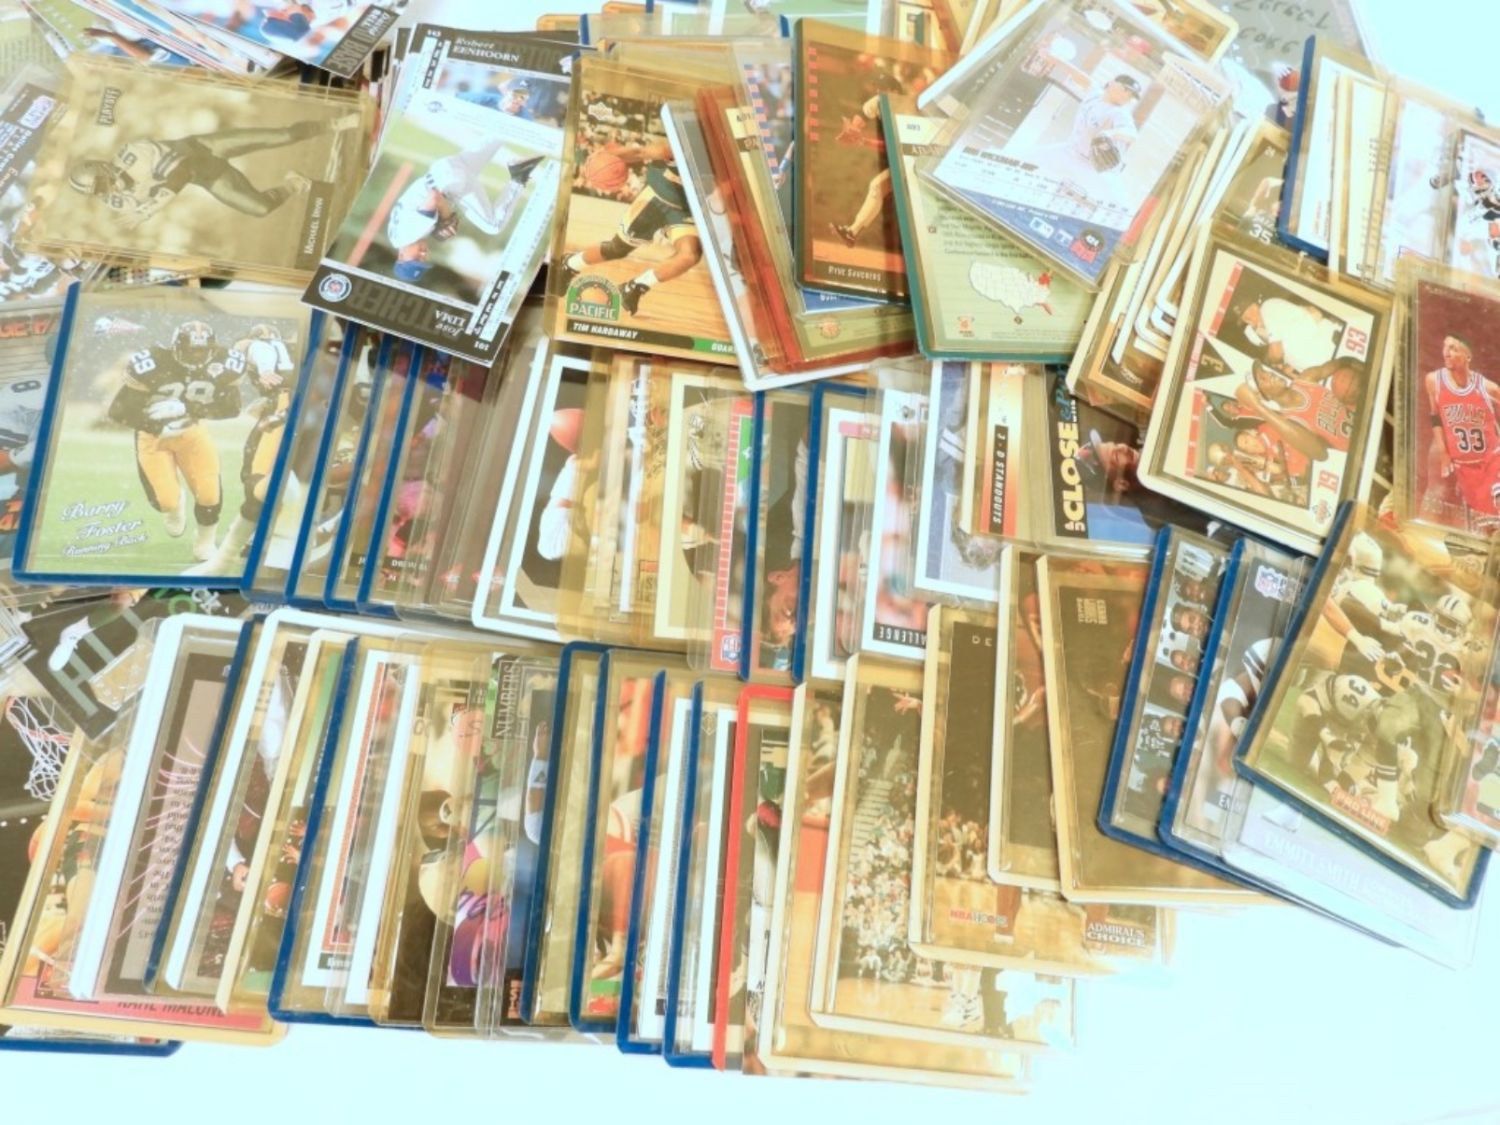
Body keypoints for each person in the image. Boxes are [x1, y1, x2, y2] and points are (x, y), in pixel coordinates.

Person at [67, 115, 360, 228]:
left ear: (103, 166)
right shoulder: (116, 201)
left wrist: (153, 207)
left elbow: (183, 169)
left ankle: (332, 124)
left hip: (205, 149)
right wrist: (147, 208)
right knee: (259, 208)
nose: (106, 191)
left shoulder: (135, 153)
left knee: (283, 135)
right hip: (208, 177)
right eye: (98, 192)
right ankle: (295, 184)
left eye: (101, 184)